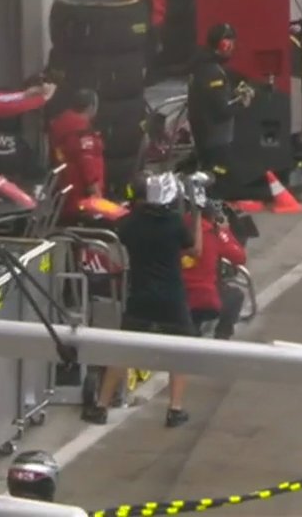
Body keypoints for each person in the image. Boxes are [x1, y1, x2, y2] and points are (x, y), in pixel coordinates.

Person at [86, 171, 197, 427]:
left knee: (124, 351)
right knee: (181, 352)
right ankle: (175, 409)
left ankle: (101, 406)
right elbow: (194, 249)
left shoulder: (131, 223)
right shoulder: (175, 224)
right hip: (171, 298)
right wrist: (198, 217)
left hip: (140, 296)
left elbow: (121, 231)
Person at [181, 177, 249, 340]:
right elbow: (239, 257)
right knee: (235, 295)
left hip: (174, 293)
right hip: (202, 297)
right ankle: (222, 337)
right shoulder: (214, 232)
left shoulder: (173, 225)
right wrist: (226, 231)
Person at [187, 23, 253, 175]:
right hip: (215, 141)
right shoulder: (213, 72)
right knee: (223, 178)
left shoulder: (203, 65)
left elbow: (211, 98)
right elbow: (221, 110)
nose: (232, 47)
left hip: (205, 138)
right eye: (230, 43)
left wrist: (232, 94)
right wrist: (243, 102)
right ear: (223, 45)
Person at [47, 89, 109, 221]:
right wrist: (96, 195)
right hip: (83, 198)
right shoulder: (82, 132)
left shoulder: (60, 126)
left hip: (64, 193)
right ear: (91, 107)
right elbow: (87, 164)